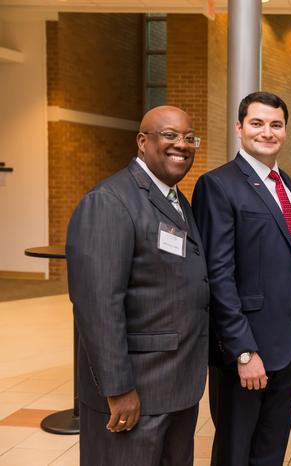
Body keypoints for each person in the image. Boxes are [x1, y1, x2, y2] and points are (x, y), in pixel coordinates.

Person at [66, 106, 209, 466]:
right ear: (142, 142)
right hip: (135, 392)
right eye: (170, 135)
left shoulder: (176, 199)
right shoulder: (109, 202)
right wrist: (118, 390)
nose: (182, 144)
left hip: (174, 387)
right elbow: (98, 305)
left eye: (189, 138)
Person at [192, 91, 291, 466]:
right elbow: (217, 274)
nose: (267, 132)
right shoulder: (218, 185)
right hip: (247, 349)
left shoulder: (288, 188)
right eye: (257, 123)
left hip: (288, 345)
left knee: (271, 448)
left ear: (285, 131)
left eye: (275, 125)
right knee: (235, 450)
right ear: (239, 127)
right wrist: (243, 350)